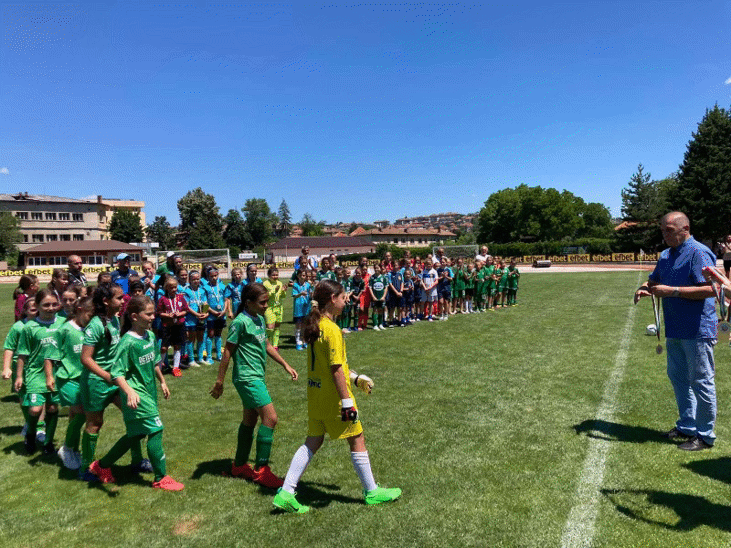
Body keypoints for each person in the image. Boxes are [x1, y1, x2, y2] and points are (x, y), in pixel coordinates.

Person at [272, 280, 401, 514]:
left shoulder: (317, 324)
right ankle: (372, 492)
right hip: (333, 399)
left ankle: (286, 492)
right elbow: (335, 369)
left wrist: (356, 378)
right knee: (357, 438)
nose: (347, 301)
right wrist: (347, 402)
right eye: (343, 297)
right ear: (333, 300)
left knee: (313, 440)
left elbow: (331, 366)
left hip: (316, 395)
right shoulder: (331, 330)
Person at [633, 212, 717, 451]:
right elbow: (654, 281)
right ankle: (687, 426)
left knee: (701, 381)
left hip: (698, 329)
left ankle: (705, 435)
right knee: (679, 379)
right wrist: (643, 288)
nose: (664, 234)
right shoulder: (666, 255)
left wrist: (673, 291)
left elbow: (711, 290)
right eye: (662, 230)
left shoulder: (699, 252)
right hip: (675, 328)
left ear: (685, 228)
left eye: (669, 229)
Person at [88, 295, 183, 491]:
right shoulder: (127, 343)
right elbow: (117, 373)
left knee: (135, 435)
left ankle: (101, 465)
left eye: (153, 314)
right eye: (148, 314)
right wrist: (129, 391)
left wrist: (163, 381)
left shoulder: (149, 336)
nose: (152, 317)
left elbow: (155, 362)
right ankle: (160, 477)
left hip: (149, 392)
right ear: (134, 316)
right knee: (156, 429)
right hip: (137, 395)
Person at [210, 283, 298, 488]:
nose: (266, 305)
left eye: (267, 301)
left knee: (250, 420)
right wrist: (220, 381)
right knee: (271, 418)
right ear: (248, 303)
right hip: (247, 379)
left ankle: (239, 466)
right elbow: (227, 352)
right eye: (262, 302)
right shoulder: (239, 322)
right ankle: (262, 471)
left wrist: (286, 364)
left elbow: (266, 344)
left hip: (256, 376)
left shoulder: (258, 319)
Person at [79, 284, 151, 480]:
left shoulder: (115, 319)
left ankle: (137, 460)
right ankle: (87, 468)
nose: (123, 301)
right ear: (106, 301)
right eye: (119, 298)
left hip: (116, 379)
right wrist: (106, 376)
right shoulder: (96, 324)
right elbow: (86, 359)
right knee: (95, 424)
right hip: (96, 381)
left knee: (137, 417)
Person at [14, 289, 64, 455]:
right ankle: (30, 433)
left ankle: (48, 442)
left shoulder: (62, 323)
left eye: (54, 304)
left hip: (56, 373)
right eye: (46, 305)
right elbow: (22, 353)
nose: (50, 308)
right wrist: (19, 376)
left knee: (51, 408)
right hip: (35, 372)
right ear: (37, 306)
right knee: (35, 409)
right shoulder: (30, 327)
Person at [54, 296, 94, 470]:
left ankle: (73, 449)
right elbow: (51, 356)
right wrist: (49, 377)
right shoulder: (65, 330)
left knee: (75, 416)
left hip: (84, 379)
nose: (91, 319)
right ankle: (67, 448)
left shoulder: (90, 330)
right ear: (80, 310)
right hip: (67, 378)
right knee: (83, 414)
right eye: (89, 315)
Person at [157, 277, 190, 377]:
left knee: (177, 346)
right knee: (164, 347)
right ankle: (159, 367)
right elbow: (159, 312)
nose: (173, 290)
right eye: (171, 288)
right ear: (167, 288)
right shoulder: (163, 299)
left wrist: (179, 314)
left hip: (179, 325)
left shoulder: (180, 298)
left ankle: (175, 367)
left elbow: (186, 310)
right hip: (167, 326)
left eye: (175, 287)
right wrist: (168, 315)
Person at [262, 267, 287, 349]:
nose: (275, 277)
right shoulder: (265, 283)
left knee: (277, 327)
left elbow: (282, 296)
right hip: (269, 308)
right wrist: (274, 291)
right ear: (269, 275)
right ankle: (266, 344)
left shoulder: (279, 283)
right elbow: (265, 295)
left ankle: (275, 345)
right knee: (270, 327)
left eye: (276, 275)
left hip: (279, 308)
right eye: (273, 275)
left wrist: (283, 291)